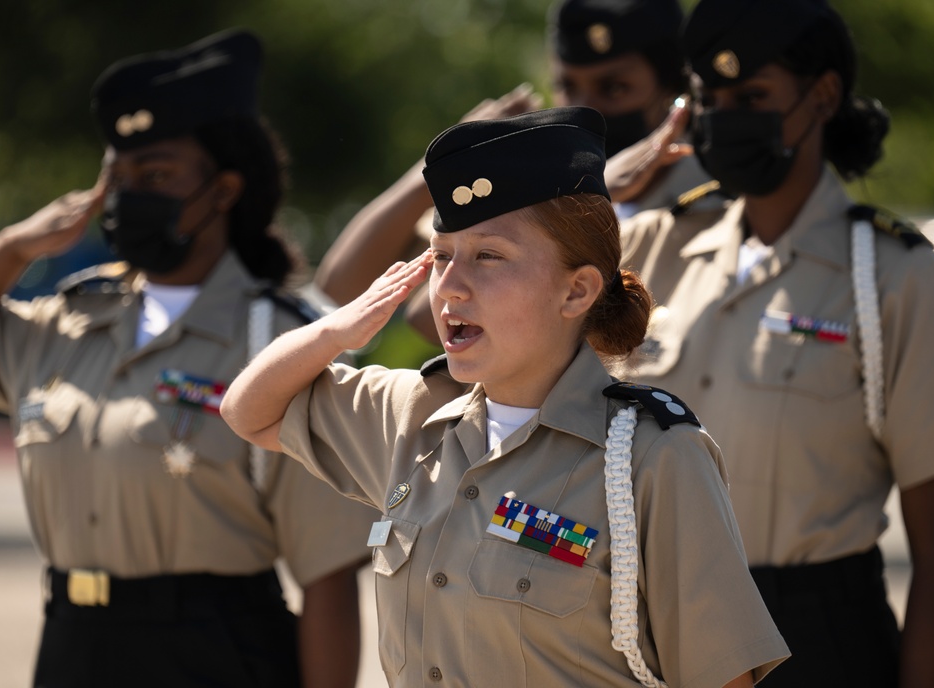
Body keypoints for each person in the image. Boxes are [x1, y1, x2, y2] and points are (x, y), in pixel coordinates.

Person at [221, 106, 789, 687]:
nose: (450, 287)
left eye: (488, 256)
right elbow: (248, 411)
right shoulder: (412, 417)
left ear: (577, 290)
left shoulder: (652, 456)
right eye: (442, 257)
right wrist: (334, 332)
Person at [0, 29, 374, 688]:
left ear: (223, 190)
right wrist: (15, 248)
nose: (132, 195)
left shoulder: (275, 341)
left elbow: (327, 579)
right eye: (122, 177)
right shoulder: (66, 321)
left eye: (157, 175)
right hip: (71, 646)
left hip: (218, 651)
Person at [615, 1, 934, 686]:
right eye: (711, 99)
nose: (727, 118)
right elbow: (455, 322)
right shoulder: (655, 249)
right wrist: (598, 193)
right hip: (656, 632)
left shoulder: (895, 276)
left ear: (822, 96)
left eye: (752, 97)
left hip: (815, 641)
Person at [313, 0, 704, 313]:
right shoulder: (529, 189)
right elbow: (341, 294)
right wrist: (440, 169)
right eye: (567, 87)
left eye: (615, 88)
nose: (586, 108)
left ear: (674, 91)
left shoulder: (709, 201)